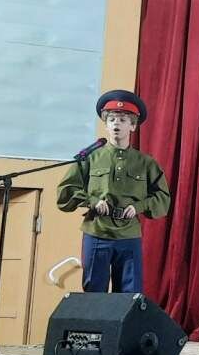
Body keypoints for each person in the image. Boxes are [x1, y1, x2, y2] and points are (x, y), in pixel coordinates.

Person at [57, 89, 171, 293]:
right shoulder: (90, 158)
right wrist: (92, 201)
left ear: (133, 125)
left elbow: (162, 198)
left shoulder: (146, 163)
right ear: (106, 124)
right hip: (97, 232)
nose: (116, 124)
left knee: (129, 295)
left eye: (123, 120)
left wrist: (139, 206)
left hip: (129, 235)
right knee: (94, 292)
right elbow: (66, 191)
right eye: (111, 119)